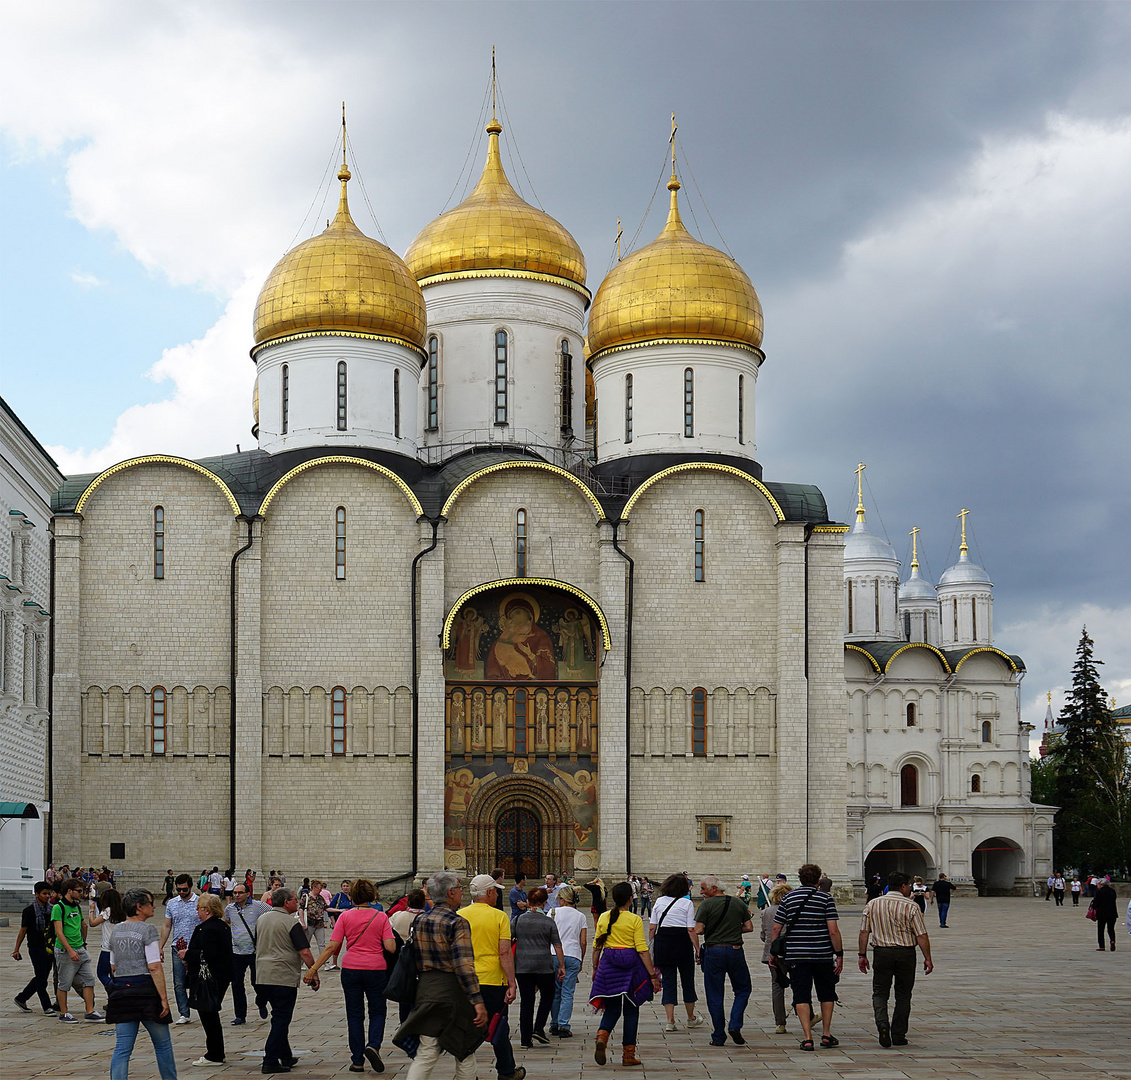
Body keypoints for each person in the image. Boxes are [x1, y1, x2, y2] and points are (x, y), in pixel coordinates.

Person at [395, 871, 492, 1080]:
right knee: (464, 1047)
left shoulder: (420, 920)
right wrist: (477, 1001)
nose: (461, 893)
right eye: (459, 888)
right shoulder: (457, 923)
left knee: (427, 1050)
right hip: (452, 991)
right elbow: (464, 965)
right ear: (450, 893)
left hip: (426, 990)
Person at [305, 878, 396, 1074]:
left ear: (352, 896)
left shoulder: (345, 917)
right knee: (378, 1011)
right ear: (372, 896)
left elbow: (332, 946)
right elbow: (390, 947)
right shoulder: (380, 917)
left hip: (351, 968)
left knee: (354, 1014)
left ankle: (357, 1061)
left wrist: (313, 969)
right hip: (376, 970)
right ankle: (373, 1045)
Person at [770, 863, 843, 1052]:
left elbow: (777, 928)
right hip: (822, 955)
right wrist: (839, 954)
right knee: (826, 993)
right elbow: (833, 931)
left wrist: (773, 952)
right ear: (818, 880)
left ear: (800, 878)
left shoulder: (789, 898)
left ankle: (808, 1038)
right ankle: (826, 1034)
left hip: (797, 956)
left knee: (801, 994)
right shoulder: (825, 898)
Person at [106, 888, 176, 1080]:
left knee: (122, 1047)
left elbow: (112, 966)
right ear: (139, 907)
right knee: (162, 1044)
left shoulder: (117, 930)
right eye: (150, 902)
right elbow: (154, 966)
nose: (154, 906)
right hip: (145, 990)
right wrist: (164, 998)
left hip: (121, 991)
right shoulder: (147, 930)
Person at [858, 871, 933, 1047]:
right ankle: (898, 1034)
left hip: (881, 952)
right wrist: (927, 958)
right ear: (903, 886)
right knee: (903, 994)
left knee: (880, 991)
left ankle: (882, 1022)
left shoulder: (873, 904)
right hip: (905, 953)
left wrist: (862, 955)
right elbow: (921, 934)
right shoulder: (911, 906)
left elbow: (863, 932)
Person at [590, 880, 661, 1067]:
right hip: (631, 966)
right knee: (631, 1010)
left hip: (609, 963)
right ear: (630, 899)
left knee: (612, 1009)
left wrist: (595, 967)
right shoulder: (634, 919)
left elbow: (597, 945)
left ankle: (602, 1037)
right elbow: (642, 950)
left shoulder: (604, 917)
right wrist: (652, 975)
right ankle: (628, 1055)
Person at [460, 873, 524, 1080]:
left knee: (468, 1026)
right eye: (496, 890)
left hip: (466, 980)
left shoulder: (460, 914)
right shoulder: (499, 916)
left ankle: (467, 1072)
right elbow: (504, 952)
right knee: (498, 1025)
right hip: (492, 979)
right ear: (488, 893)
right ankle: (506, 1070)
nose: (497, 894)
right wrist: (512, 983)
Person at [255, 887, 320, 1075]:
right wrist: (313, 972)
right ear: (286, 903)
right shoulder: (291, 923)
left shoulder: (261, 919)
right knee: (282, 1019)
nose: (297, 901)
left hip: (262, 975)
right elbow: (305, 951)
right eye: (294, 899)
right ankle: (270, 1060)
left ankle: (286, 1055)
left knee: (278, 1015)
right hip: (282, 976)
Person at [692, 875, 752, 1047]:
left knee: (714, 994)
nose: (701, 892)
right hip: (735, 951)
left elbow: (698, 930)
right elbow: (749, 927)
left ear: (714, 889)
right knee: (743, 989)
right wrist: (732, 929)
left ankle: (719, 1035)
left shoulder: (706, 904)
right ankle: (734, 1024)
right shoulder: (738, 902)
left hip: (714, 951)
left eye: (703, 888)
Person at [178, 892, 232, 1066]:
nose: (197, 911)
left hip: (209, 978)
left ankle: (214, 1054)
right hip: (219, 976)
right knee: (210, 1014)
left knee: (208, 1014)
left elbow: (208, 954)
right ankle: (216, 1052)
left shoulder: (208, 929)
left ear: (207, 910)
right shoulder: (221, 926)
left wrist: (187, 953)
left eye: (199, 908)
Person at [648, 873, 703, 1032]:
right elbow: (691, 930)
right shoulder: (687, 903)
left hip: (663, 942)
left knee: (668, 981)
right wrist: (697, 949)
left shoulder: (659, 901)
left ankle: (670, 1021)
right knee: (687, 981)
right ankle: (690, 1018)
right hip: (682, 942)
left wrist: (651, 943)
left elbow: (653, 927)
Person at [512, 885, 564, 1049]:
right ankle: (539, 1027)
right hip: (544, 965)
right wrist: (561, 966)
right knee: (548, 995)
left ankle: (525, 1039)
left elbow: (508, 941)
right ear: (544, 902)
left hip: (522, 966)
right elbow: (557, 945)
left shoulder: (518, 920)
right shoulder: (548, 922)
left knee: (526, 1001)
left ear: (528, 902)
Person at [51, 877, 102, 1023]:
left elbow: (83, 925)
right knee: (64, 982)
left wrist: (83, 942)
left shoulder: (76, 906)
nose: (82, 894)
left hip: (80, 948)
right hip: (65, 951)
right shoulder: (58, 907)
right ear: (69, 891)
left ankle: (90, 1011)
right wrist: (70, 950)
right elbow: (59, 932)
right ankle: (64, 1012)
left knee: (89, 980)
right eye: (79, 891)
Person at [225, 881, 271, 1025]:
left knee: (257, 982)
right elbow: (227, 921)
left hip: (254, 951)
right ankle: (240, 1015)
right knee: (236, 984)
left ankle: (261, 1002)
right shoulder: (230, 908)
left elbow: (273, 915)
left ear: (248, 894)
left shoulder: (259, 906)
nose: (236, 895)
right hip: (236, 951)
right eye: (235, 893)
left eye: (239, 893)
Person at [159, 874, 201, 1024]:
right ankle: (184, 1013)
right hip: (177, 947)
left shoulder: (199, 901)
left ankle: (203, 1007)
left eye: (184, 889)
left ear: (190, 887)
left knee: (199, 980)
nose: (181, 892)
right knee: (179, 982)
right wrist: (160, 946)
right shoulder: (172, 903)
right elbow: (167, 925)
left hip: (196, 948)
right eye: (179, 889)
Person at [13, 880, 58, 1014]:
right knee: (41, 977)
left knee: (42, 976)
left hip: (49, 946)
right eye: (44, 894)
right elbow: (23, 930)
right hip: (35, 947)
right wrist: (16, 949)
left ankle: (21, 998)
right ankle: (46, 1006)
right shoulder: (29, 911)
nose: (47, 896)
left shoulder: (51, 909)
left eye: (48, 894)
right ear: (37, 894)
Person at [548, 885, 587, 1037]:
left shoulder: (552, 913)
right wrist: (581, 959)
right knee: (567, 992)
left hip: (553, 955)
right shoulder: (580, 916)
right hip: (573, 955)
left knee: (555, 991)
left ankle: (554, 1023)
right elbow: (583, 942)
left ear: (562, 899)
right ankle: (564, 1024)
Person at [758, 882, 791, 1034]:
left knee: (777, 986)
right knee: (799, 984)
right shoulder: (792, 910)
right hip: (792, 952)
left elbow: (764, 935)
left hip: (773, 953)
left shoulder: (766, 912)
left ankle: (780, 1023)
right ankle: (807, 1015)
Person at [89, 888, 127, 990]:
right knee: (113, 974)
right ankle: (113, 998)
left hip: (107, 947)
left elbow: (92, 923)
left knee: (102, 973)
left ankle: (115, 989)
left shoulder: (107, 911)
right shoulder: (121, 911)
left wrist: (92, 910)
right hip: (119, 947)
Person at [300, 879, 330, 956]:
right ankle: (301, 962)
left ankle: (324, 962)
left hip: (319, 924)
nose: (320, 890)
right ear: (313, 888)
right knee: (306, 944)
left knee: (322, 944)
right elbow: (301, 909)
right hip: (309, 923)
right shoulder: (306, 897)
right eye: (319, 888)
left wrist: (339, 910)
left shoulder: (320, 898)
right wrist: (302, 922)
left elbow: (326, 908)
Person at [1092, 878, 1118, 951]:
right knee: (1111, 929)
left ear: (1101, 884)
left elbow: (1095, 904)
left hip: (1102, 913)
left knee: (1101, 930)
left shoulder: (1099, 892)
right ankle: (1112, 940)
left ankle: (1102, 946)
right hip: (1112, 913)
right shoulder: (1112, 891)